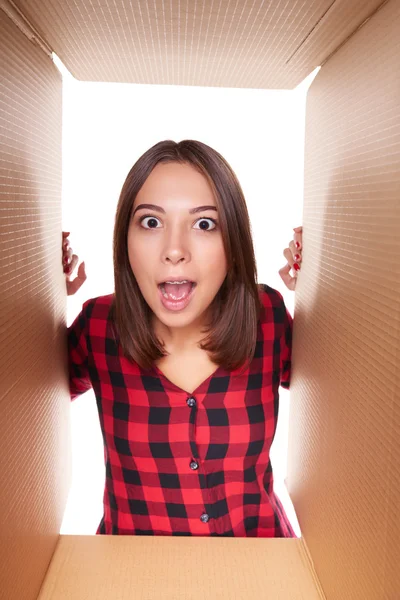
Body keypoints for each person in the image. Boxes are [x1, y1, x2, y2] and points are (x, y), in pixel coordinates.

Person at [62, 139, 303, 538]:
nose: (174, 250)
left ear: (234, 242)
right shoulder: (99, 325)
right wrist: (32, 288)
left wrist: (330, 284)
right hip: (130, 571)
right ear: (125, 239)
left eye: (205, 224)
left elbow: (345, 392)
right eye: (151, 222)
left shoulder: (268, 317)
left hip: (263, 565)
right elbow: (22, 397)